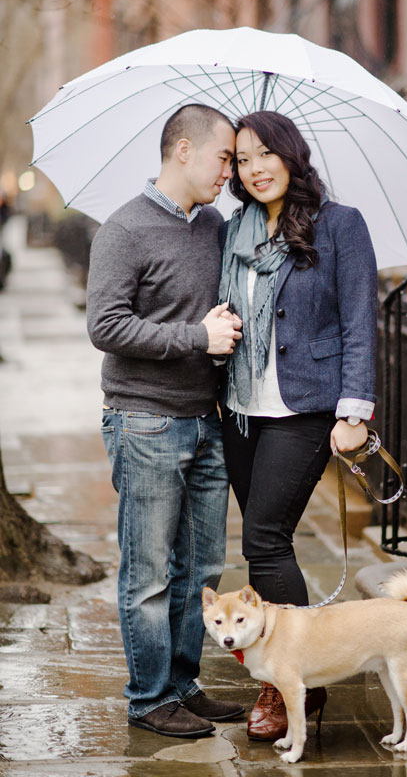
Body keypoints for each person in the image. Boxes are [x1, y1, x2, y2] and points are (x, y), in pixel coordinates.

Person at [86, 104, 244, 738]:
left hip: (207, 421)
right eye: (224, 157)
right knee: (149, 573)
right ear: (183, 149)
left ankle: (182, 685)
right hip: (144, 422)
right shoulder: (124, 229)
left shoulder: (215, 225)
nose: (230, 172)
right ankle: (149, 698)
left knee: (200, 571)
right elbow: (106, 326)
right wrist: (196, 337)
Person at [219, 110, 378, 741]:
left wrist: (354, 410)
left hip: (305, 407)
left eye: (266, 153)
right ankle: (288, 672)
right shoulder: (232, 230)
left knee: (264, 538)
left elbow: (360, 319)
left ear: (291, 155)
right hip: (240, 406)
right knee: (264, 543)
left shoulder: (340, 225)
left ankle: (294, 685)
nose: (255, 168)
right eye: (242, 158)